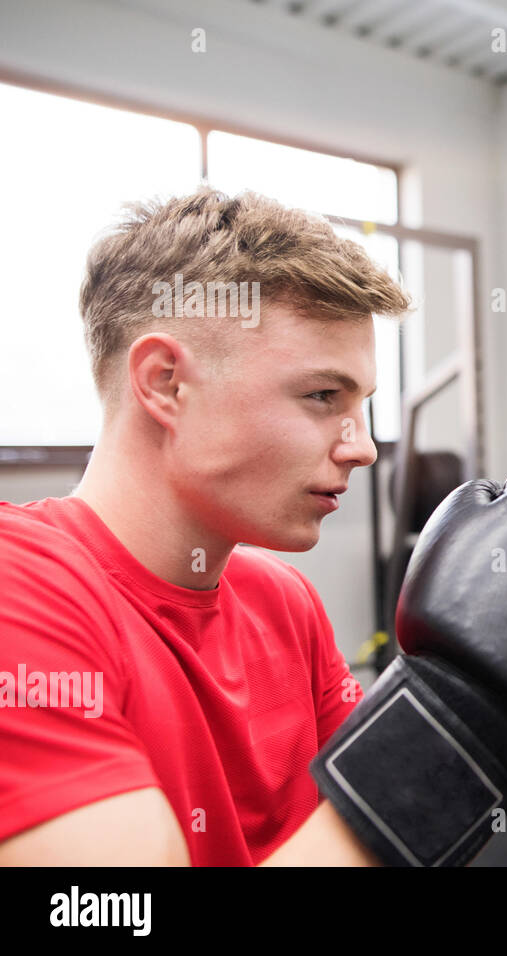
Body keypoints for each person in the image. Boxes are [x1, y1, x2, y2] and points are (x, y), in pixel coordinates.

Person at [0, 188, 409, 864]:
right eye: (321, 396)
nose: (361, 447)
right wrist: (474, 715)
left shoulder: (285, 601)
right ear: (165, 384)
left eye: (360, 403)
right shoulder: (20, 588)